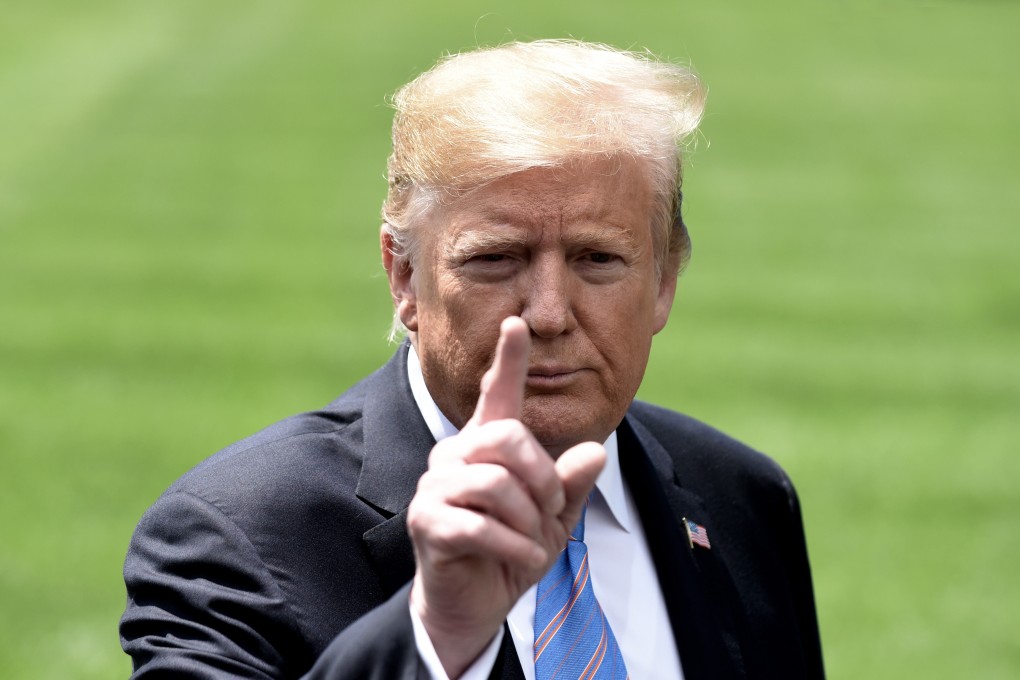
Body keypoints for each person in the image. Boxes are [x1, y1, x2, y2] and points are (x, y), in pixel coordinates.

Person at [121, 40, 825, 679]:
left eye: (599, 259)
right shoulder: (237, 535)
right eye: (495, 259)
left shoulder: (741, 500)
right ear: (404, 278)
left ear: (664, 281)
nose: (549, 312)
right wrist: (437, 632)